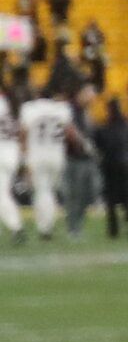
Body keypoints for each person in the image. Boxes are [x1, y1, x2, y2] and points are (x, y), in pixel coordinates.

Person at [20, 91, 71, 240]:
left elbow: (23, 132)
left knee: (43, 191)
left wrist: (24, 156)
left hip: (37, 155)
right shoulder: (62, 109)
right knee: (48, 192)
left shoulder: (29, 108)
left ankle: (45, 227)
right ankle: (45, 225)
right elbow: (68, 132)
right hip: (57, 155)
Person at [61, 85, 102, 238]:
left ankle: (77, 224)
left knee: (91, 191)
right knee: (74, 194)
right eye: (89, 94)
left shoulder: (87, 112)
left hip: (87, 158)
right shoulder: (71, 110)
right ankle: (73, 227)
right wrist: (83, 143)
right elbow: (69, 130)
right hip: (74, 158)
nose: (92, 98)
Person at [95, 97, 128, 239]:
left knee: (111, 199)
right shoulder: (126, 126)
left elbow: (100, 146)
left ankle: (113, 229)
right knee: (127, 198)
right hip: (125, 164)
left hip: (110, 165)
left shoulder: (105, 128)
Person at [0, 92, 21, 245]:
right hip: (12, 152)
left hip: (1, 152)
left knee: (1, 194)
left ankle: (16, 226)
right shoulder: (8, 104)